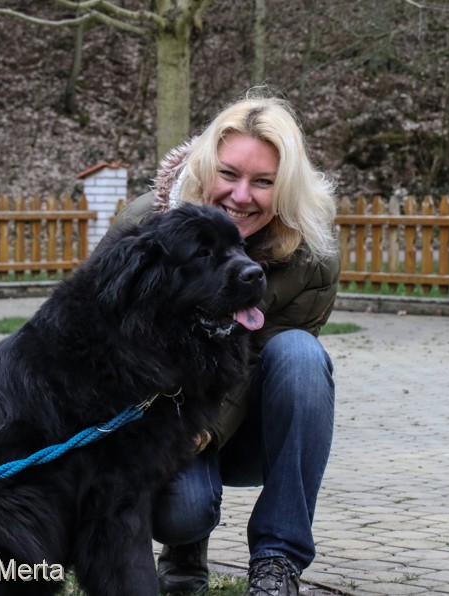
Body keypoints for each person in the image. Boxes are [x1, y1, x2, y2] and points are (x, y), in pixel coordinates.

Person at [109, 89, 339, 596]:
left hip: (247, 421)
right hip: (161, 415)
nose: (241, 196)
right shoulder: (146, 226)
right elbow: (100, 336)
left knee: (301, 356)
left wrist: (206, 430)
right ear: (205, 168)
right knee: (183, 512)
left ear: (286, 187)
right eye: (229, 174)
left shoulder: (311, 255)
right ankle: (180, 550)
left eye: (264, 182)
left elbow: (257, 356)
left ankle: (278, 561)